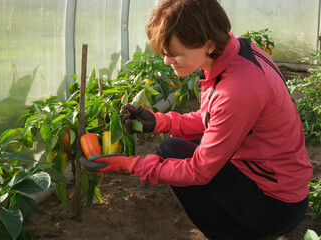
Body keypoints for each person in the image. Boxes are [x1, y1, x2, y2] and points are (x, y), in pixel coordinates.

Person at [82, 0, 313, 239]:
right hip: (268, 175)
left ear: (209, 44)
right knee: (173, 148)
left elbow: (200, 171)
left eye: (175, 54)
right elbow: (213, 118)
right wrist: (161, 122)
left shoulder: (238, 89)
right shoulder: (234, 52)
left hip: (275, 203)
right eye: (164, 53)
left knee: (177, 160)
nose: (167, 62)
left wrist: (129, 165)